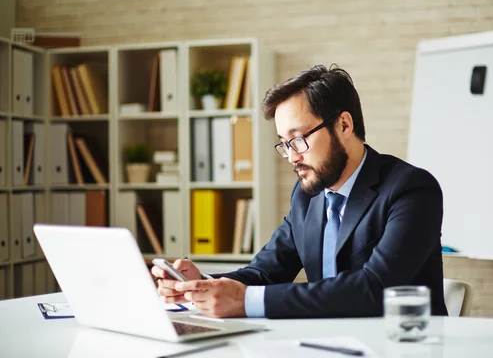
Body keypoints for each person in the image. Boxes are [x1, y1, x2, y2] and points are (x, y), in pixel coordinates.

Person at [152, 64, 448, 319]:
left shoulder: (411, 189)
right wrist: (200, 285)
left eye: (298, 139)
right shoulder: (307, 195)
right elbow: (265, 273)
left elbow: (374, 288)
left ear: (344, 125)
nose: (292, 157)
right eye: (285, 143)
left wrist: (245, 301)